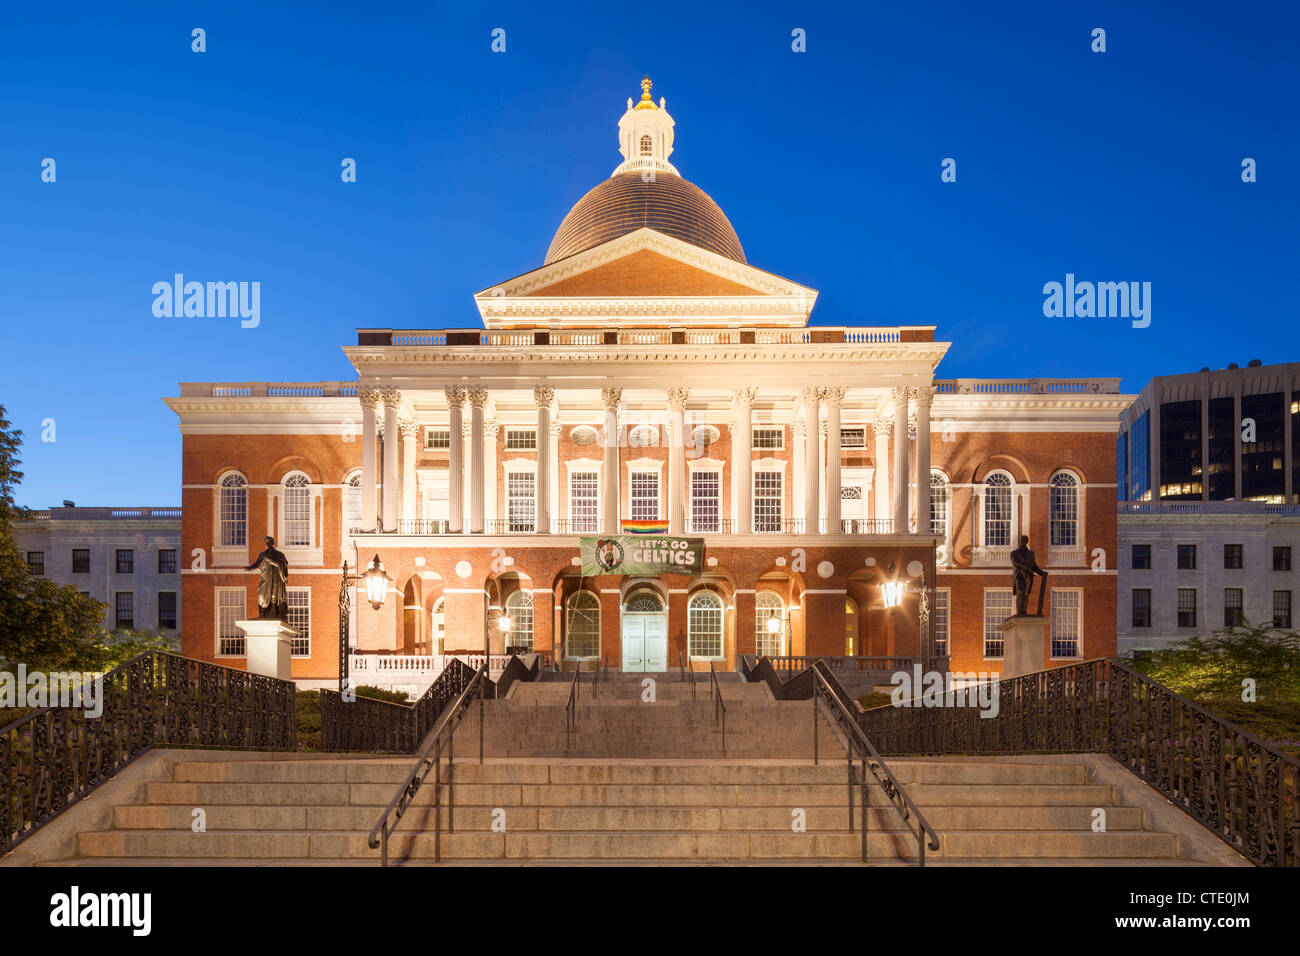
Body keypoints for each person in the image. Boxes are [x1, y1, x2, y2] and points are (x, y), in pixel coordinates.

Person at [247, 536, 290, 620]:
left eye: (269, 542)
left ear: (272, 543)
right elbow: (257, 564)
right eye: (267, 542)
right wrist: (249, 568)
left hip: (276, 580)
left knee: (274, 595)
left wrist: (272, 562)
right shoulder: (263, 554)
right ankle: (262, 614)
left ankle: (272, 612)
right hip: (266, 578)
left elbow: (283, 565)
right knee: (261, 594)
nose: (268, 543)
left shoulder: (279, 554)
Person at [1010, 534, 1048, 616]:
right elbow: (1015, 563)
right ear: (1020, 541)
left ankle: (1024, 610)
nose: (1023, 542)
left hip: (1028, 576)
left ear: (1027, 542)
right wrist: (1026, 568)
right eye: (1022, 540)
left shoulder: (1031, 554)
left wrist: (1041, 573)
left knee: (1026, 593)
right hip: (1019, 575)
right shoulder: (1014, 553)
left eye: (1025, 540)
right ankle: (1019, 611)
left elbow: (1034, 565)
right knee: (1020, 591)